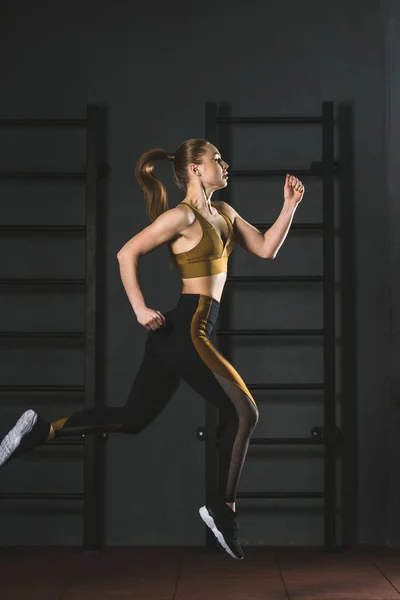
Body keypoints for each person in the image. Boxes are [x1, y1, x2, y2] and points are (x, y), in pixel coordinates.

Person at [0, 138, 304, 559]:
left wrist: (288, 206)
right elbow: (127, 253)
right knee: (245, 412)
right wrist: (140, 307)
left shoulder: (226, 215)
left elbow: (268, 249)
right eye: (216, 159)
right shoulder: (182, 216)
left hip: (180, 334)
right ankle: (223, 508)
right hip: (186, 330)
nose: (225, 163)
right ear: (196, 169)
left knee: (132, 419)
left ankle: (42, 430)